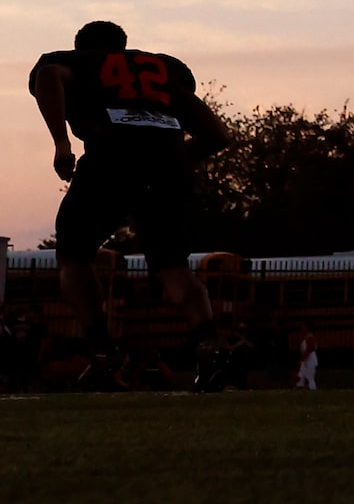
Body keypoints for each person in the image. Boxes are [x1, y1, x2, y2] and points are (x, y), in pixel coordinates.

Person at [27, 21, 231, 389]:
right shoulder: (163, 70)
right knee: (173, 267)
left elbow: (48, 75)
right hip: (167, 164)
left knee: (75, 254)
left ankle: (102, 350)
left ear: (81, 48)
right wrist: (173, 160)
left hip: (111, 157)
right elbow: (217, 135)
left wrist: (61, 143)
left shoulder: (76, 64)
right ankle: (210, 346)